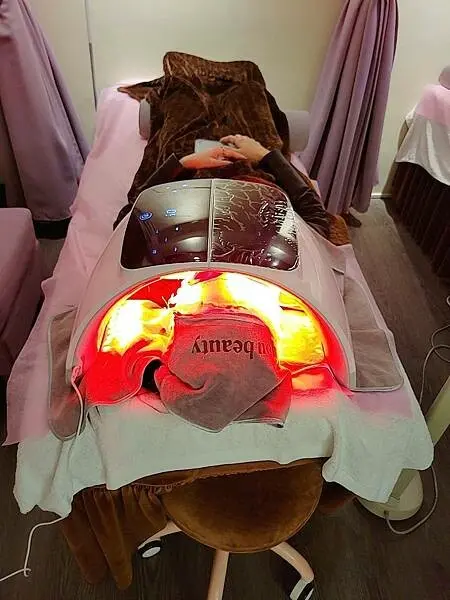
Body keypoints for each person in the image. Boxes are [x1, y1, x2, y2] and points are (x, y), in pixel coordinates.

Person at [114, 135, 330, 239]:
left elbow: (126, 222)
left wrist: (182, 164)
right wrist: (267, 156)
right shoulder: (276, 240)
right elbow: (316, 220)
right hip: (254, 175)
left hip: (194, 180)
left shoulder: (174, 233)